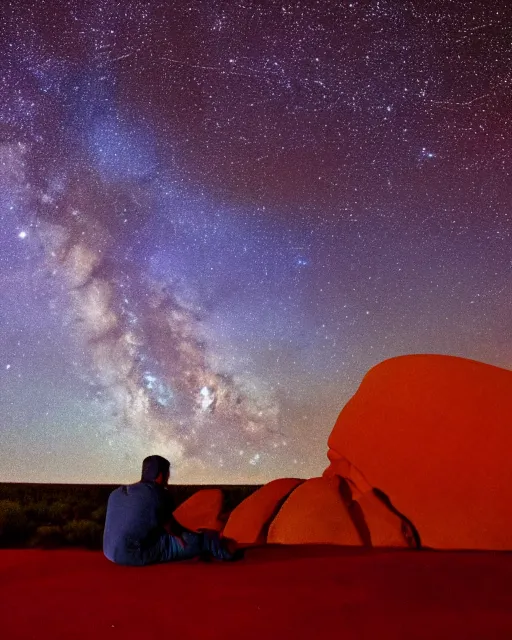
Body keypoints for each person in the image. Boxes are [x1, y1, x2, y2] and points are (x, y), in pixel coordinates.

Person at [103, 455, 237, 566]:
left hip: (108, 552)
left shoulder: (117, 492)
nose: (168, 478)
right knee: (200, 540)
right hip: (132, 555)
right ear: (160, 475)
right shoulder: (158, 493)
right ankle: (228, 552)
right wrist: (192, 536)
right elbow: (173, 529)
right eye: (167, 474)